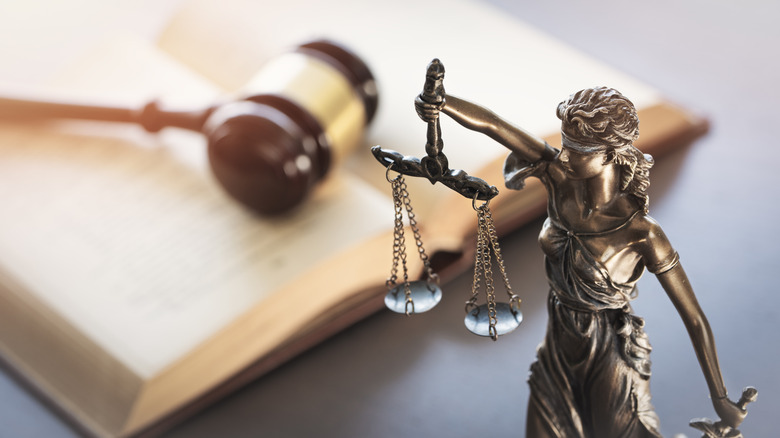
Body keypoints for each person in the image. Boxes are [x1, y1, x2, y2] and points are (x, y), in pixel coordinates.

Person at [416, 86, 746, 437]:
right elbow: (495, 125)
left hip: (609, 354)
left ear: (610, 154)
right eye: (565, 145)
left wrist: (720, 398)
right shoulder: (558, 178)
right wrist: (443, 103)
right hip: (558, 343)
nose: (564, 157)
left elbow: (694, 318)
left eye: (577, 151)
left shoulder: (642, 233)